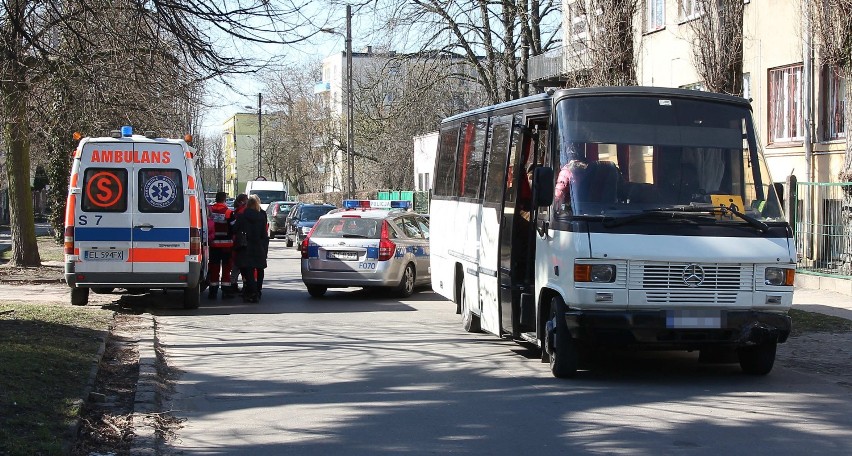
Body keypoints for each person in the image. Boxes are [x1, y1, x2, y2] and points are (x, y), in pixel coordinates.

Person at [233, 194, 269, 303]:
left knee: (248, 270)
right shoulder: (261, 217)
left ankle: (252, 292)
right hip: (258, 246)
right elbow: (264, 233)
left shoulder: (242, 216)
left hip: (245, 246)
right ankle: (258, 290)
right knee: (259, 269)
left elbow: (234, 229)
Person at [207, 192, 235, 299]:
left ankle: (213, 291)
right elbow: (234, 227)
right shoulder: (228, 212)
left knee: (214, 267)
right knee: (226, 268)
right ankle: (226, 290)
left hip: (213, 244)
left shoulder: (210, 211)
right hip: (226, 245)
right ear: (225, 200)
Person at [228, 193, 249, 294]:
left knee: (236, 265)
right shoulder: (244, 211)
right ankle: (244, 285)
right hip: (242, 242)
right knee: (242, 265)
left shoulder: (236, 211)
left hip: (236, 241)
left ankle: (233, 284)